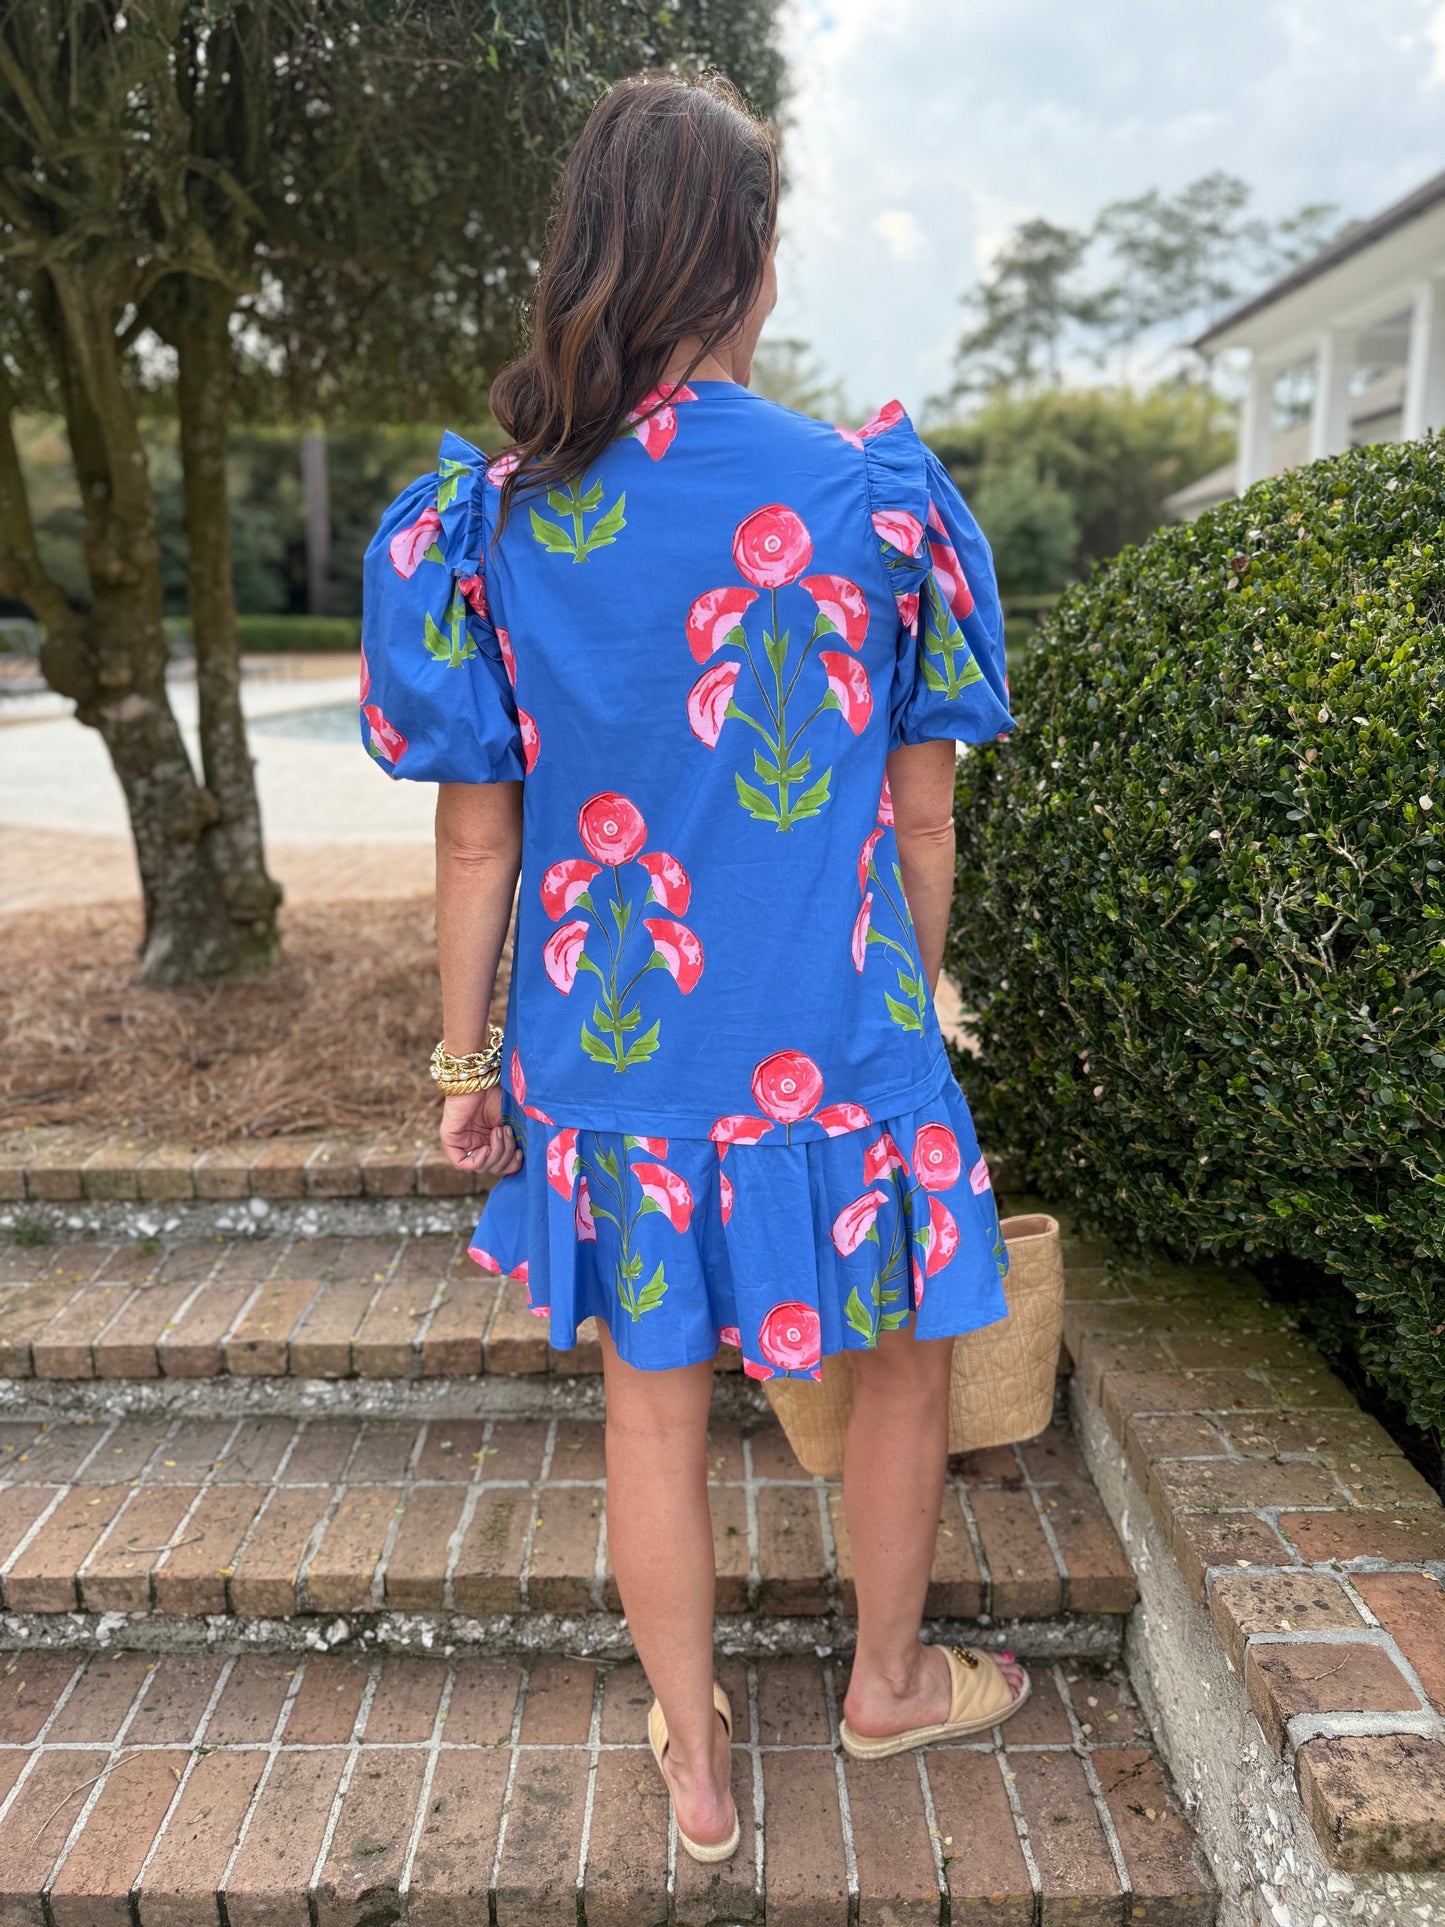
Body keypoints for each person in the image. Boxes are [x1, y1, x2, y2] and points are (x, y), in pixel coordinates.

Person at [360, 69, 1028, 1862]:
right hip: (843, 1027)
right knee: (895, 1364)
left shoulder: (493, 525)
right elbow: (921, 828)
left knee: (649, 1406)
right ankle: (887, 1688)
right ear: (746, 259)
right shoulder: (874, 502)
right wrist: (920, 1007)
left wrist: (459, 1070)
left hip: (616, 1039)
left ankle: (694, 1756)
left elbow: (476, 837)